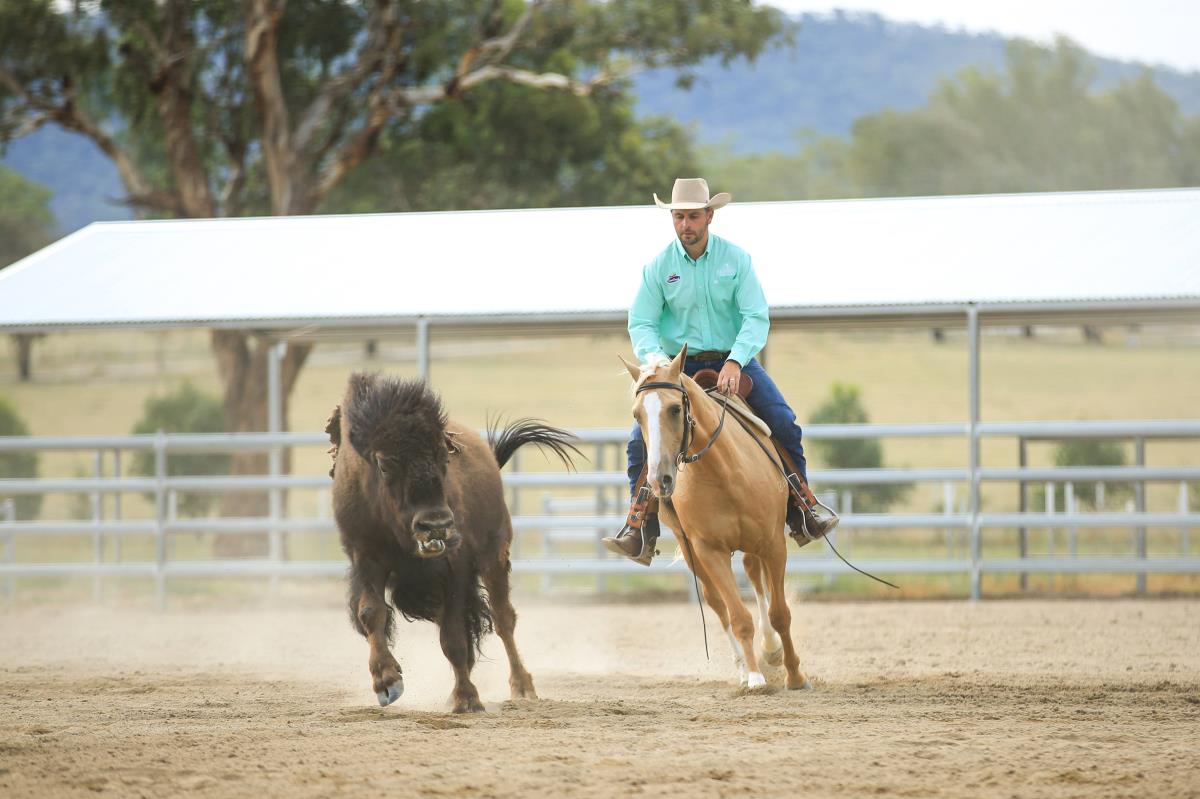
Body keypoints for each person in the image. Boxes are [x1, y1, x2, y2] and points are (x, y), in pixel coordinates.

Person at [601, 178, 839, 566]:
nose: (685, 225)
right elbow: (641, 322)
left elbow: (755, 316)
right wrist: (660, 363)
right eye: (679, 217)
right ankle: (640, 528)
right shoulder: (658, 268)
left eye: (693, 216)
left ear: (709, 216)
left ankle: (802, 508)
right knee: (637, 444)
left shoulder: (736, 260)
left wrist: (736, 359)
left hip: (734, 359)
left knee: (782, 421)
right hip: (678, 367)